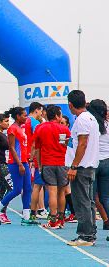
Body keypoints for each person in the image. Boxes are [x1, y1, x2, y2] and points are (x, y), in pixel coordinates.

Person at [0, 107, 39, 226]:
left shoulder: (21, 128)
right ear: (18, 116)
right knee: (16, 190)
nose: (26, 117)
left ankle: (26, 217)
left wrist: (27, 160)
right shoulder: (12, 129)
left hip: (24, 162)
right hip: (16, 163)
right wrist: (20, 163)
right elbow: (11, 147)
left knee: (27, 189)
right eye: (24, 115)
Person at [66, 90, 99, 246]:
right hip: (89, 164)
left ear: (70, 105)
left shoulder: (82, 120)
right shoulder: (91, 118)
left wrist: (74, 166)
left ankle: (85, 235)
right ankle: (90, 233)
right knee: (89, 201)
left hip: (82, 166)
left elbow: (83, 143)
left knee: (82, 201)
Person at [33, 105, 71, 229]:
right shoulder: (64, 129)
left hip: (48, 163)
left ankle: (53, 220)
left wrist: (39, 164)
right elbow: (69, 145)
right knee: (62, 192)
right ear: (56, 115)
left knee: (52, 191)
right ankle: (61, 220)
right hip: (62, 163)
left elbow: (37, 148)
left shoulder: (40, 128)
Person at [87, 100, 109, 231]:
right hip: (107, 161)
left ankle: (91, 229)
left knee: (90, 197)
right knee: (105, 197)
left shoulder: (91, 124)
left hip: (94, 163)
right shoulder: (107, 125)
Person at [26, 102, 48, 220]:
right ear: (36, 110)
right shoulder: (34, 122)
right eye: (40, 111)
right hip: (34, 156)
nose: (41, 114)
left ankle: (32, 209)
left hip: (27, 155)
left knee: (33, 185)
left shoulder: (26, 121)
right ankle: (40, 209)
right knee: (38, 185)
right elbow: (37, 141)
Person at [61, 115, 77, 223]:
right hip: (64, 163)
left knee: (65, 189)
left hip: (67, 163)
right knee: (66, 189)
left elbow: (64, 146)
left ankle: (72, 213)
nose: (60, 124)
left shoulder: (66, 133)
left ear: (67, 125)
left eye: (63, 123)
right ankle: (71, 212)